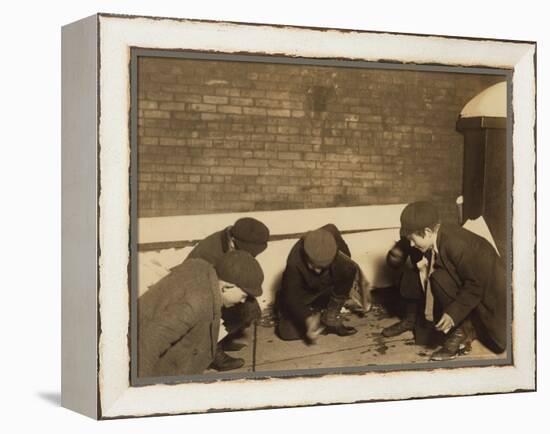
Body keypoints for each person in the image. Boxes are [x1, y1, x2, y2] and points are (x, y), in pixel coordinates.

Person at [397, 201, 507, 361]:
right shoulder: (439, 236)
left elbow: (476, 284)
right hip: (477, 286)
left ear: (428, 232)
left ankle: (466, 330)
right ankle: (464, 329)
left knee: (439, 279)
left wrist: (452, 314)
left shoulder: (455, 244)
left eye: (412, 239)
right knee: (438, 277)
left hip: (494, 295)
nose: (412, 244)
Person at [138, 250, 264, 378]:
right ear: (227, 286)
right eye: (243, 296)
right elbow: (147, 344)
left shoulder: (202, 269)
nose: (243, 301)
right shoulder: (196, 303)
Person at [186, 217, 270, 371]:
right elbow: (204, 296)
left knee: (251, 309)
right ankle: (211, 351)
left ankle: (222, 337)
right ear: (234, 240)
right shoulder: (210, 253)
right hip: (198, 295)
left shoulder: (237, 244)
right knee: (214, 310)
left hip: (220, 290)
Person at [276, 224, 358, 343]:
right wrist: (307, 318)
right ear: (305, 255)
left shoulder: (337, 247)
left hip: (324, 288)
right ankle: (291, 306)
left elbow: (347, 272)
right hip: (303, 292)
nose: (317, 270)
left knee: (348, 268)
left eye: (322, 267)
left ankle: (328, 317)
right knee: (286, 332)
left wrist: (332, 313)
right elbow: (292, 296)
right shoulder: (294, 260)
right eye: (313, 265)